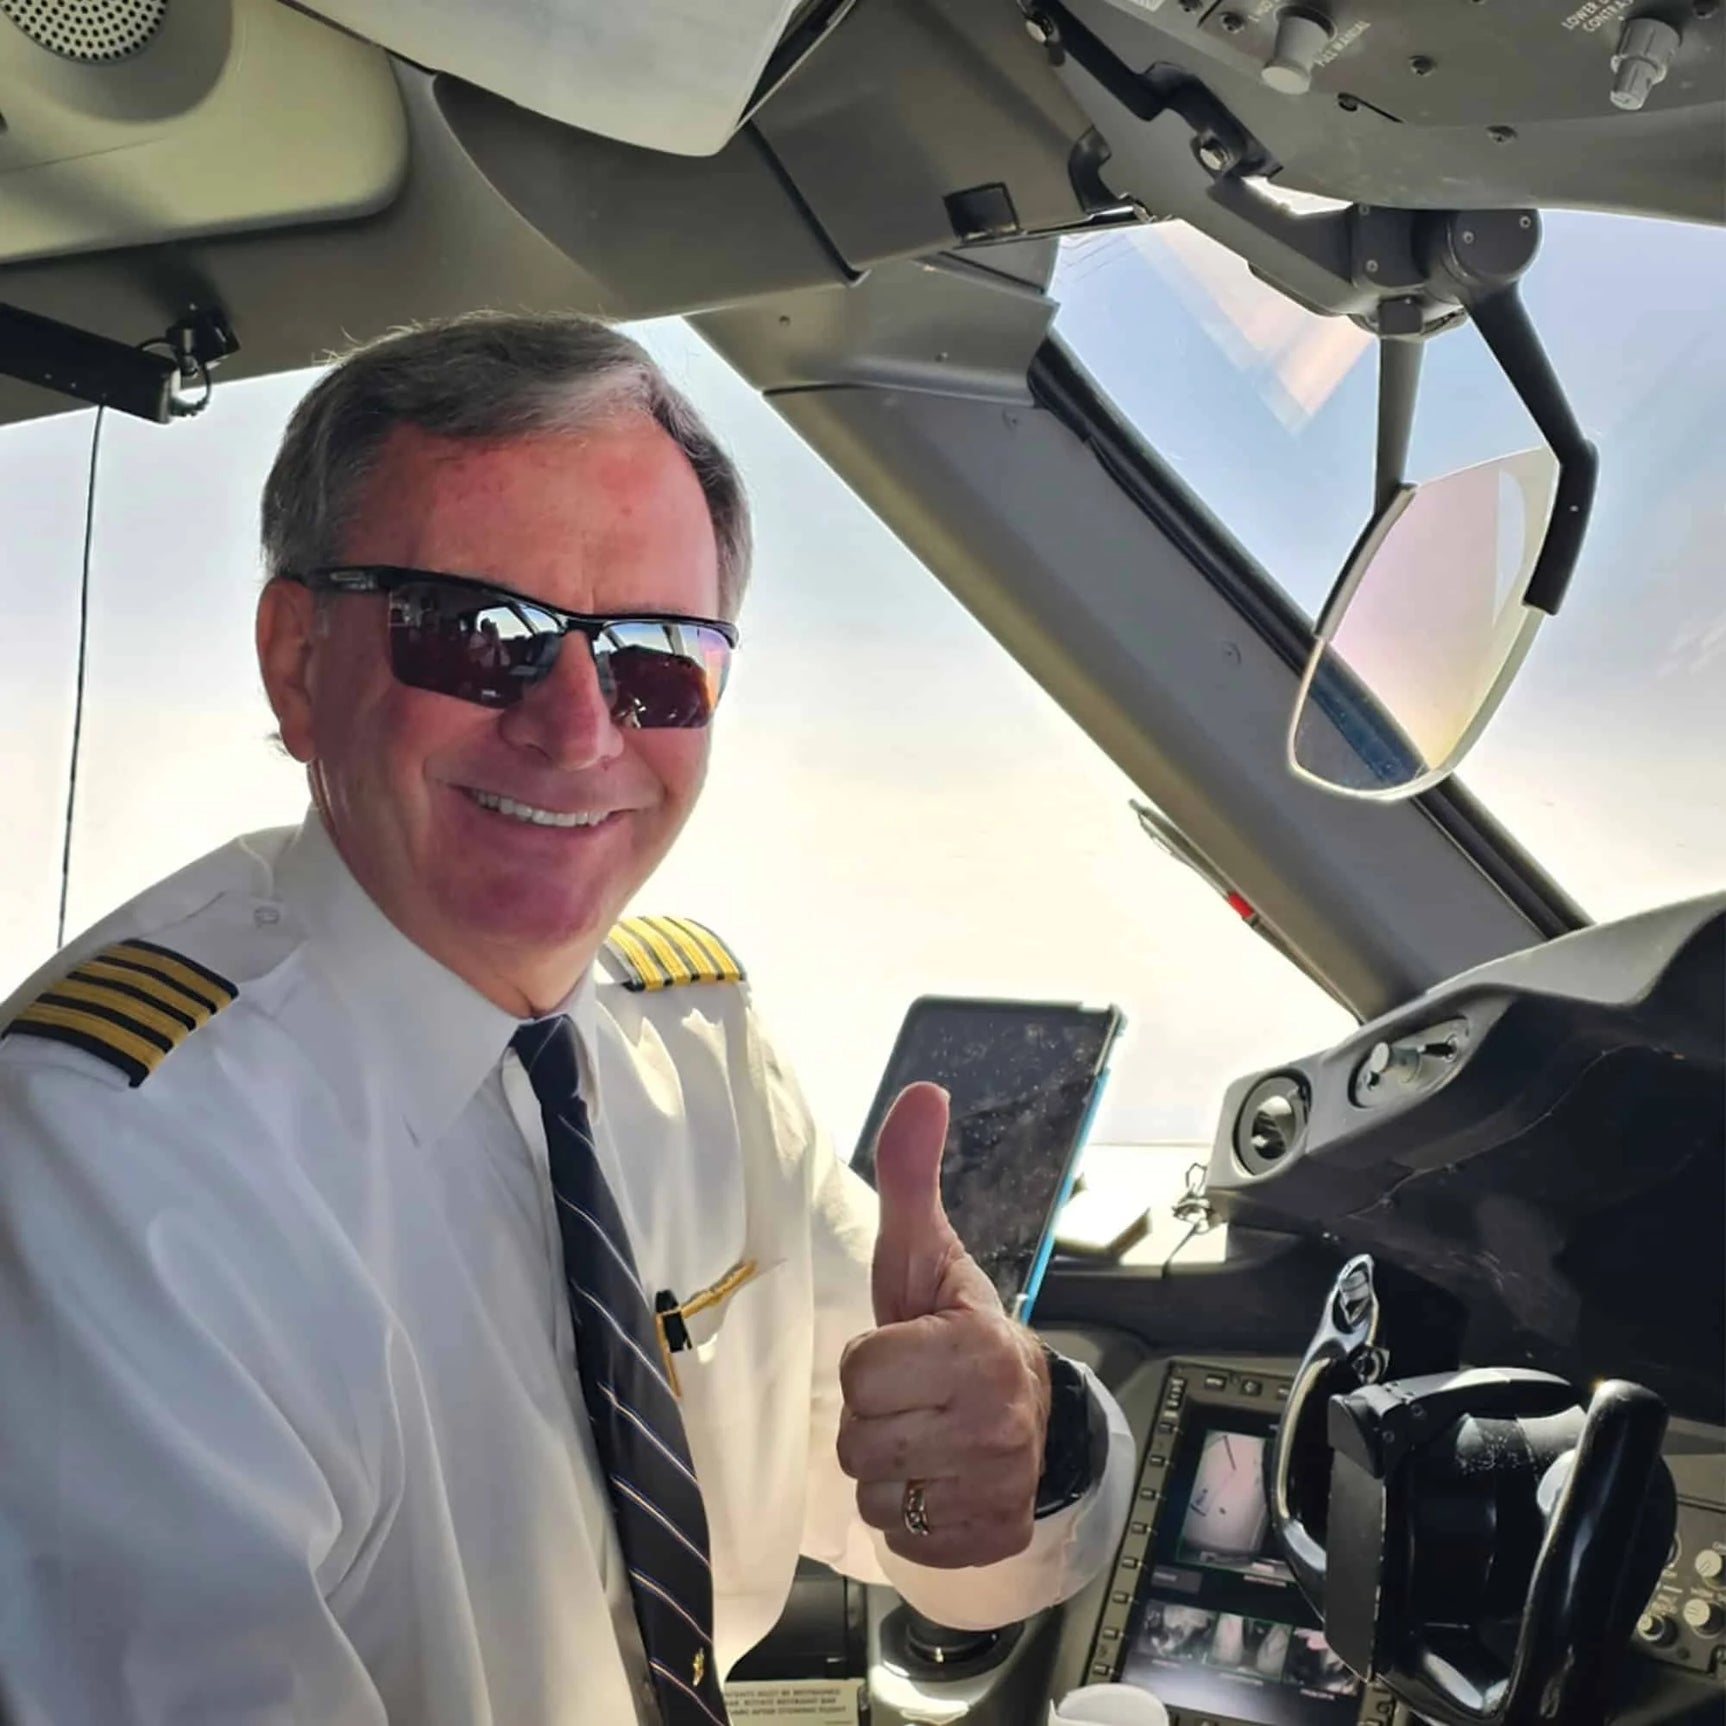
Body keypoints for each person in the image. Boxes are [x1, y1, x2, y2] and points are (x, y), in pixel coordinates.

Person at [0, 313, 1134, 1724]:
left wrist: (1025, 1435)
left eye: (657, 657)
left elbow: (933, 1532)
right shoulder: (111, 1160)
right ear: (299, 660)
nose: (580, 728)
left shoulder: (688, 1042)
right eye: (481, 635)